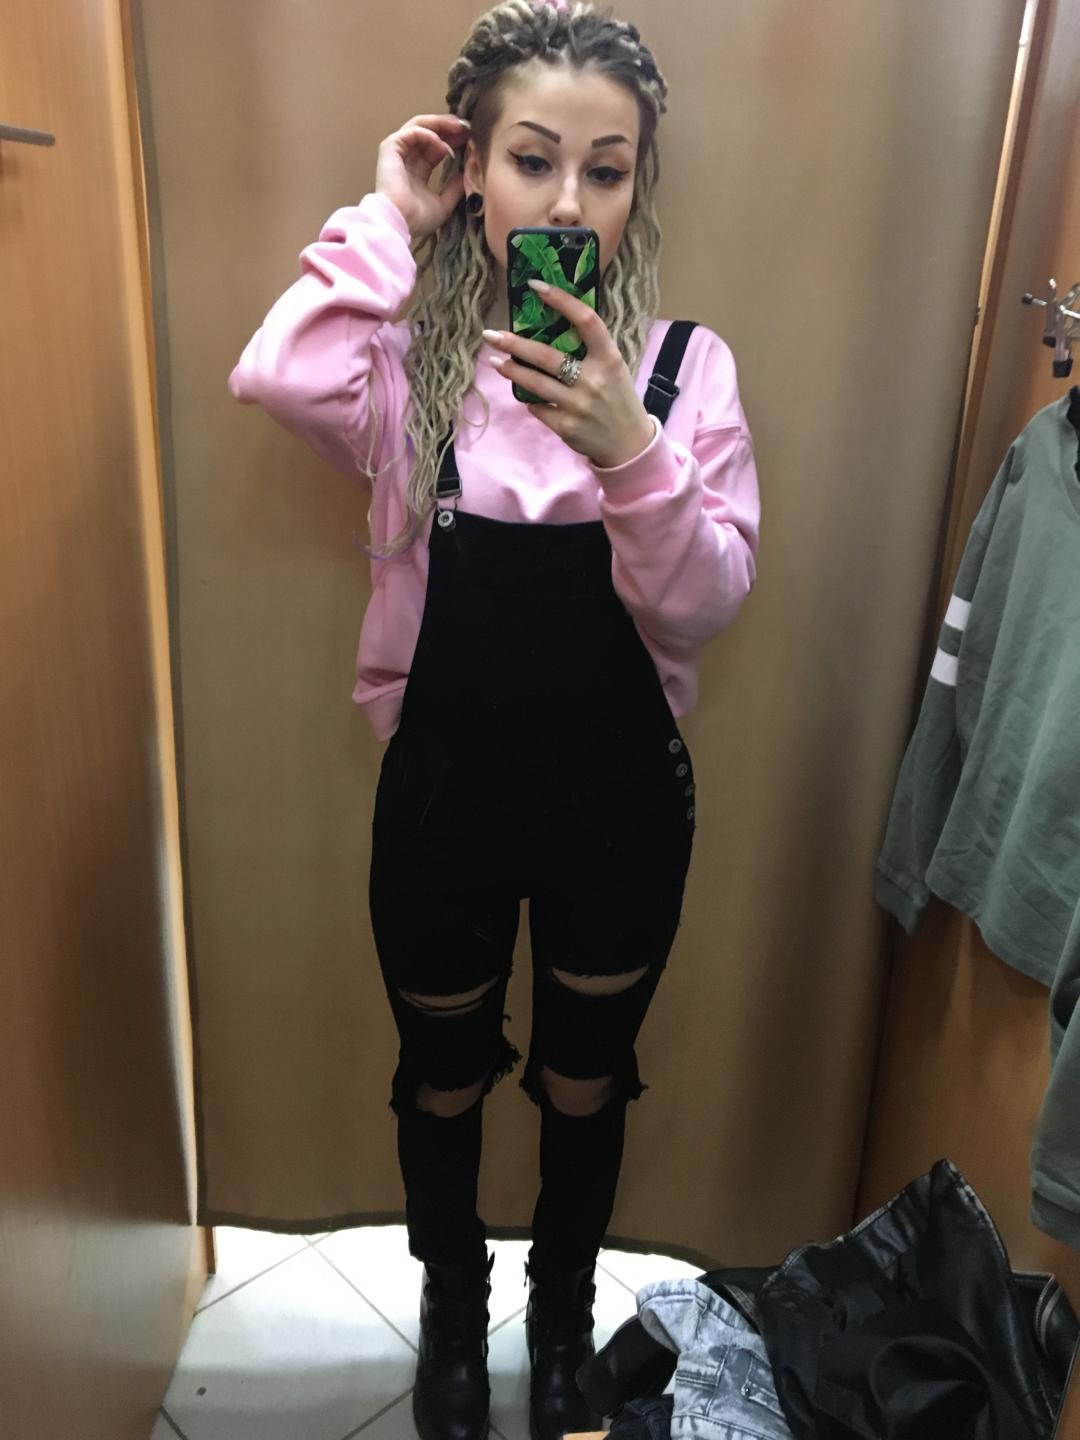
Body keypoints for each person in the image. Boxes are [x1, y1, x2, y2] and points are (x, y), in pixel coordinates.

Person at [228, 3, 760, 1438]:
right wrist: (388, 220)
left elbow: (707, 604)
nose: (569, 202)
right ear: (477, 173)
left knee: (586, 1084)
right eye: (532, 160)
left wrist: (630, 450)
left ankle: (562, 1320)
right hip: (444, 800)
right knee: (444, 1079)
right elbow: (277, 373)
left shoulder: (684, 374)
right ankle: (454, 1321)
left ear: (639, 185)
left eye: (607, 169)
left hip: (619, 809)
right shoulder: (414, 369)